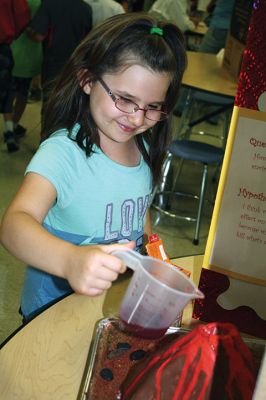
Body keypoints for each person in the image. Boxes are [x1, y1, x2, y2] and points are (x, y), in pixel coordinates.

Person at [0, 13, 187, 322]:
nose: (137, 119)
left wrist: (153, 254)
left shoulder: (142, 145)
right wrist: (70, 260)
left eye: (153, 107)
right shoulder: (63, 152)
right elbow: (14, 225)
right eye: (125, 99)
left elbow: (139, 209)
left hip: (108, 309)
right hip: (52, 314)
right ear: (87, 80)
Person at [26, 0, 93, 115]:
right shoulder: (85, 8)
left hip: (54, 63)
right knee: (71, 103)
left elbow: (38, 36)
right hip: (77, 64)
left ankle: (48, 132)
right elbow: (88, 39)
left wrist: (27, 31)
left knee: (50, 103)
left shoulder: (49, 4)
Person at [10, 0, 43, 141]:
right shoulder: (40, 3)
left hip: (9, 48)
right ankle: (12, 127)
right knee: (22, 94)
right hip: (28, 55)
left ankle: (9, 126)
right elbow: (38, 35)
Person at [0, 0, 30, 152]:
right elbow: (22, 15)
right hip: (2, 48)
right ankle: (9, 132)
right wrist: (13, 32)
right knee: (6, 91)